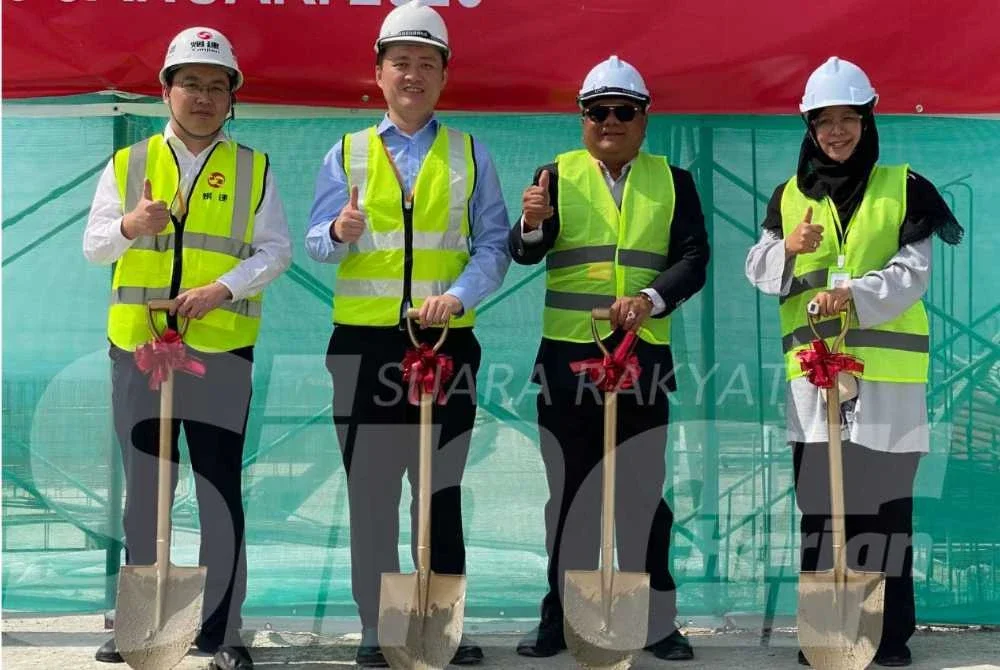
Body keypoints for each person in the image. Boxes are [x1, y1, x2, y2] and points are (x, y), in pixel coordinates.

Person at [304, 1, 510, 665]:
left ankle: (442, 627)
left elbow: (495, 243)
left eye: (427, 64)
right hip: (365, 347)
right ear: (379, 72)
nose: (413, 75)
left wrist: (457, 295)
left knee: (440, 490)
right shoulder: (347, 153)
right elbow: (313, 240)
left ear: (444, 76)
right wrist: (337, 233)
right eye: (402, 63)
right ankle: (378, 630)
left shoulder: (470, 154)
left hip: (447, 344)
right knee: (371, 494)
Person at [83, 26, 292, 670]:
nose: (203, 96)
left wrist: (224, 288)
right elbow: (94, 247)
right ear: (165, 90)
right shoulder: (129, 164)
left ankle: (222, 632)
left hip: (221, 353)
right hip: (139, 352)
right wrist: (130, 225)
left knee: (218, 488)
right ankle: (140, 626)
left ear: (232, 96)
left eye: (216, 85)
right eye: (191, 84)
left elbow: (276, 250)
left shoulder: (253, 167)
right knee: (145, 486)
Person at [745, 56, 963, 668]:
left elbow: (913, 274)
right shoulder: (787, 196)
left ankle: (887, 635)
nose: (835, 132)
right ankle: (827, 633)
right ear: (809, 129)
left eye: (848, 120)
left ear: (868, 122)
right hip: (813, 380)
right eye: (823, 122)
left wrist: (855, 295)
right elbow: (757, 271)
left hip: (887, 381)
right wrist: (785, 251)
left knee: (886, 506)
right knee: (820, 503)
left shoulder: (906, 186)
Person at [509, 55, 709, 662]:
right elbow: (522, 252)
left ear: (645, 119)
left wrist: (650, 299)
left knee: (643, 495)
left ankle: (654, 623)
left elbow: (694, 258)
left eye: (624, 111)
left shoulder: (674, 181)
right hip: (569, 360)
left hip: (641, 359)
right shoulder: (554, 176)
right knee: (569, 495)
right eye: (599, 111)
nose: (611, 121)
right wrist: (531, 224)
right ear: (583, 118)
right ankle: (561, 618)